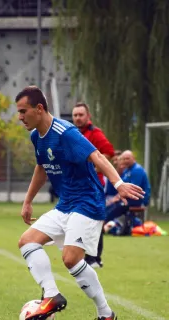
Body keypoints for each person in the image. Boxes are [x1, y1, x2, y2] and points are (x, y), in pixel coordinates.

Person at [15, 86, 144, 320]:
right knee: (27, 242)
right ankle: (51, 295)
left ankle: (106, 314)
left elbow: (97, 156)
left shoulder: (66, 132)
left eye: (23, 111)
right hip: (65, 204)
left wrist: (118, 184)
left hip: (87, 202)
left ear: (39, 109)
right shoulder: (36, 137)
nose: (20, 116)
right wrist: (28, 200)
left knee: (71, 259)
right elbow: (41, 168)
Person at [72, 102, 116, 268]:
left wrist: (94, 166)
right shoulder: (72, 133)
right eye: (75, 115)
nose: (77, 118)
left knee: (94, 219)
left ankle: (95, 258)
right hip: (77, 184)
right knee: (80, 220)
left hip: (94, 184)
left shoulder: (94, 133)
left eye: (80, 115)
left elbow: (108, 152)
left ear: (88, 116)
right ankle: (83, 256)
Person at [104, 150, 151, 232]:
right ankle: (108, 226)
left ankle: (104, 226)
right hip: (128, 198)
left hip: (137, 199)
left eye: (128, 158)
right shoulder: (126, 170)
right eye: (124, 159)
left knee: (116, 207)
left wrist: (116, 198)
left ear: (133, 158)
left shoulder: (137, 170)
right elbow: (120, 187)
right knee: (110, 205)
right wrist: (114, 199)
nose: (125, 161)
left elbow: (131, 190)